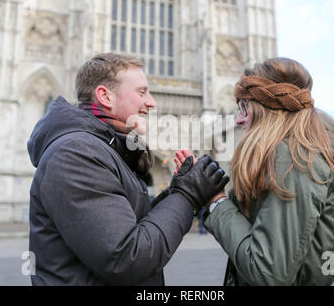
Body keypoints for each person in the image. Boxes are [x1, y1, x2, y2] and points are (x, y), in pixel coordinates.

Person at [27, 52, 228, 285]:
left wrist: (175, 192)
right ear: (105, 96)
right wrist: (188, 194)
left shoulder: (105, 149)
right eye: (142, 92)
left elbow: (129, 226)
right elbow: (127, 258)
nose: (152, 102)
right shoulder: (75, 154)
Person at [175, 57, 334, 285]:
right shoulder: (292, 156)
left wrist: (217, 202)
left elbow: (268, 273)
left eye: (244, 106)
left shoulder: (295, 160)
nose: (238, 120)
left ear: (268, 109)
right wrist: (208, 191)